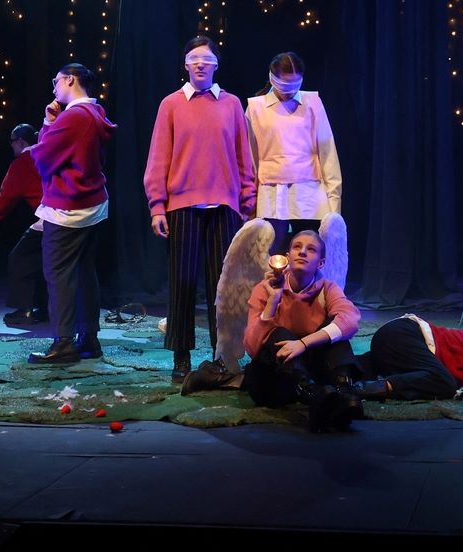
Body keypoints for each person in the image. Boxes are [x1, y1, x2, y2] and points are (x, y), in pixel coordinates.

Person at [144, 35, 256, 383]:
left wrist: (248, 202)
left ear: (216, 65)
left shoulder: (231, 104)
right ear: (186, 65)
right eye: (194, 59)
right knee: (182, 282)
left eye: (207, 60)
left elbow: (243, 156)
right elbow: (158, 157)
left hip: (224, 205)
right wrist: (157, 206)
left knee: (222, 286)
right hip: (182, 205)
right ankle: (181, 356)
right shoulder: (171, 104)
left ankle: (223, 355)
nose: (200, 65)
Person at [27, 63, 116, 365]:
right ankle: (88, 338)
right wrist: (52, 122)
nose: (54, 88)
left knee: (58, 274)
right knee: (85, 272)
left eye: (56, 81)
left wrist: (47, 124)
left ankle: (63, 342)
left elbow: (42, 157)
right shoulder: (95, 112)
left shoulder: (74, 116)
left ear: (69, 80)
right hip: (93, 204)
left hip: (70, 206)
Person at [241, 229, 364, 431]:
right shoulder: (264, 289)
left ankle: (345, 393)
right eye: (297, 247)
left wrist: (303, 343)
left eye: (311, 249)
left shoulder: (328, 288)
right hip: (272, 381)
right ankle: (311, 395)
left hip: (311, 370)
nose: (303, 252)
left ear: (321, 263)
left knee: (336, 333)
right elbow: (252, 348)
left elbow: (350, 321)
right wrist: (273, 300)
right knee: (280, 334)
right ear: (287, 257)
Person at [245, 52, 342, 254]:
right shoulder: (256, 108)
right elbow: (250, 158)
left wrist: (334, 205)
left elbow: (327, 153)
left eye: (294, 85)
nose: (289, 92)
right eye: (284, 85)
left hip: (309, 196)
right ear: (272, 78)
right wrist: (249, 203)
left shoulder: (312, 103)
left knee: (309, 256)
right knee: (272, 256)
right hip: (271, 196)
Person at [0, 122, 48, 328]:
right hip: (69, 212)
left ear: (21, 141)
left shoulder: (24, 162)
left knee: (20, 259)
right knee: (45, 262)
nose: (11, 146)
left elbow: (6, 197)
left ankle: (24, 310)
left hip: (50, 217)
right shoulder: (46, 153)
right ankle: (47, 308)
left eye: (12, 142)